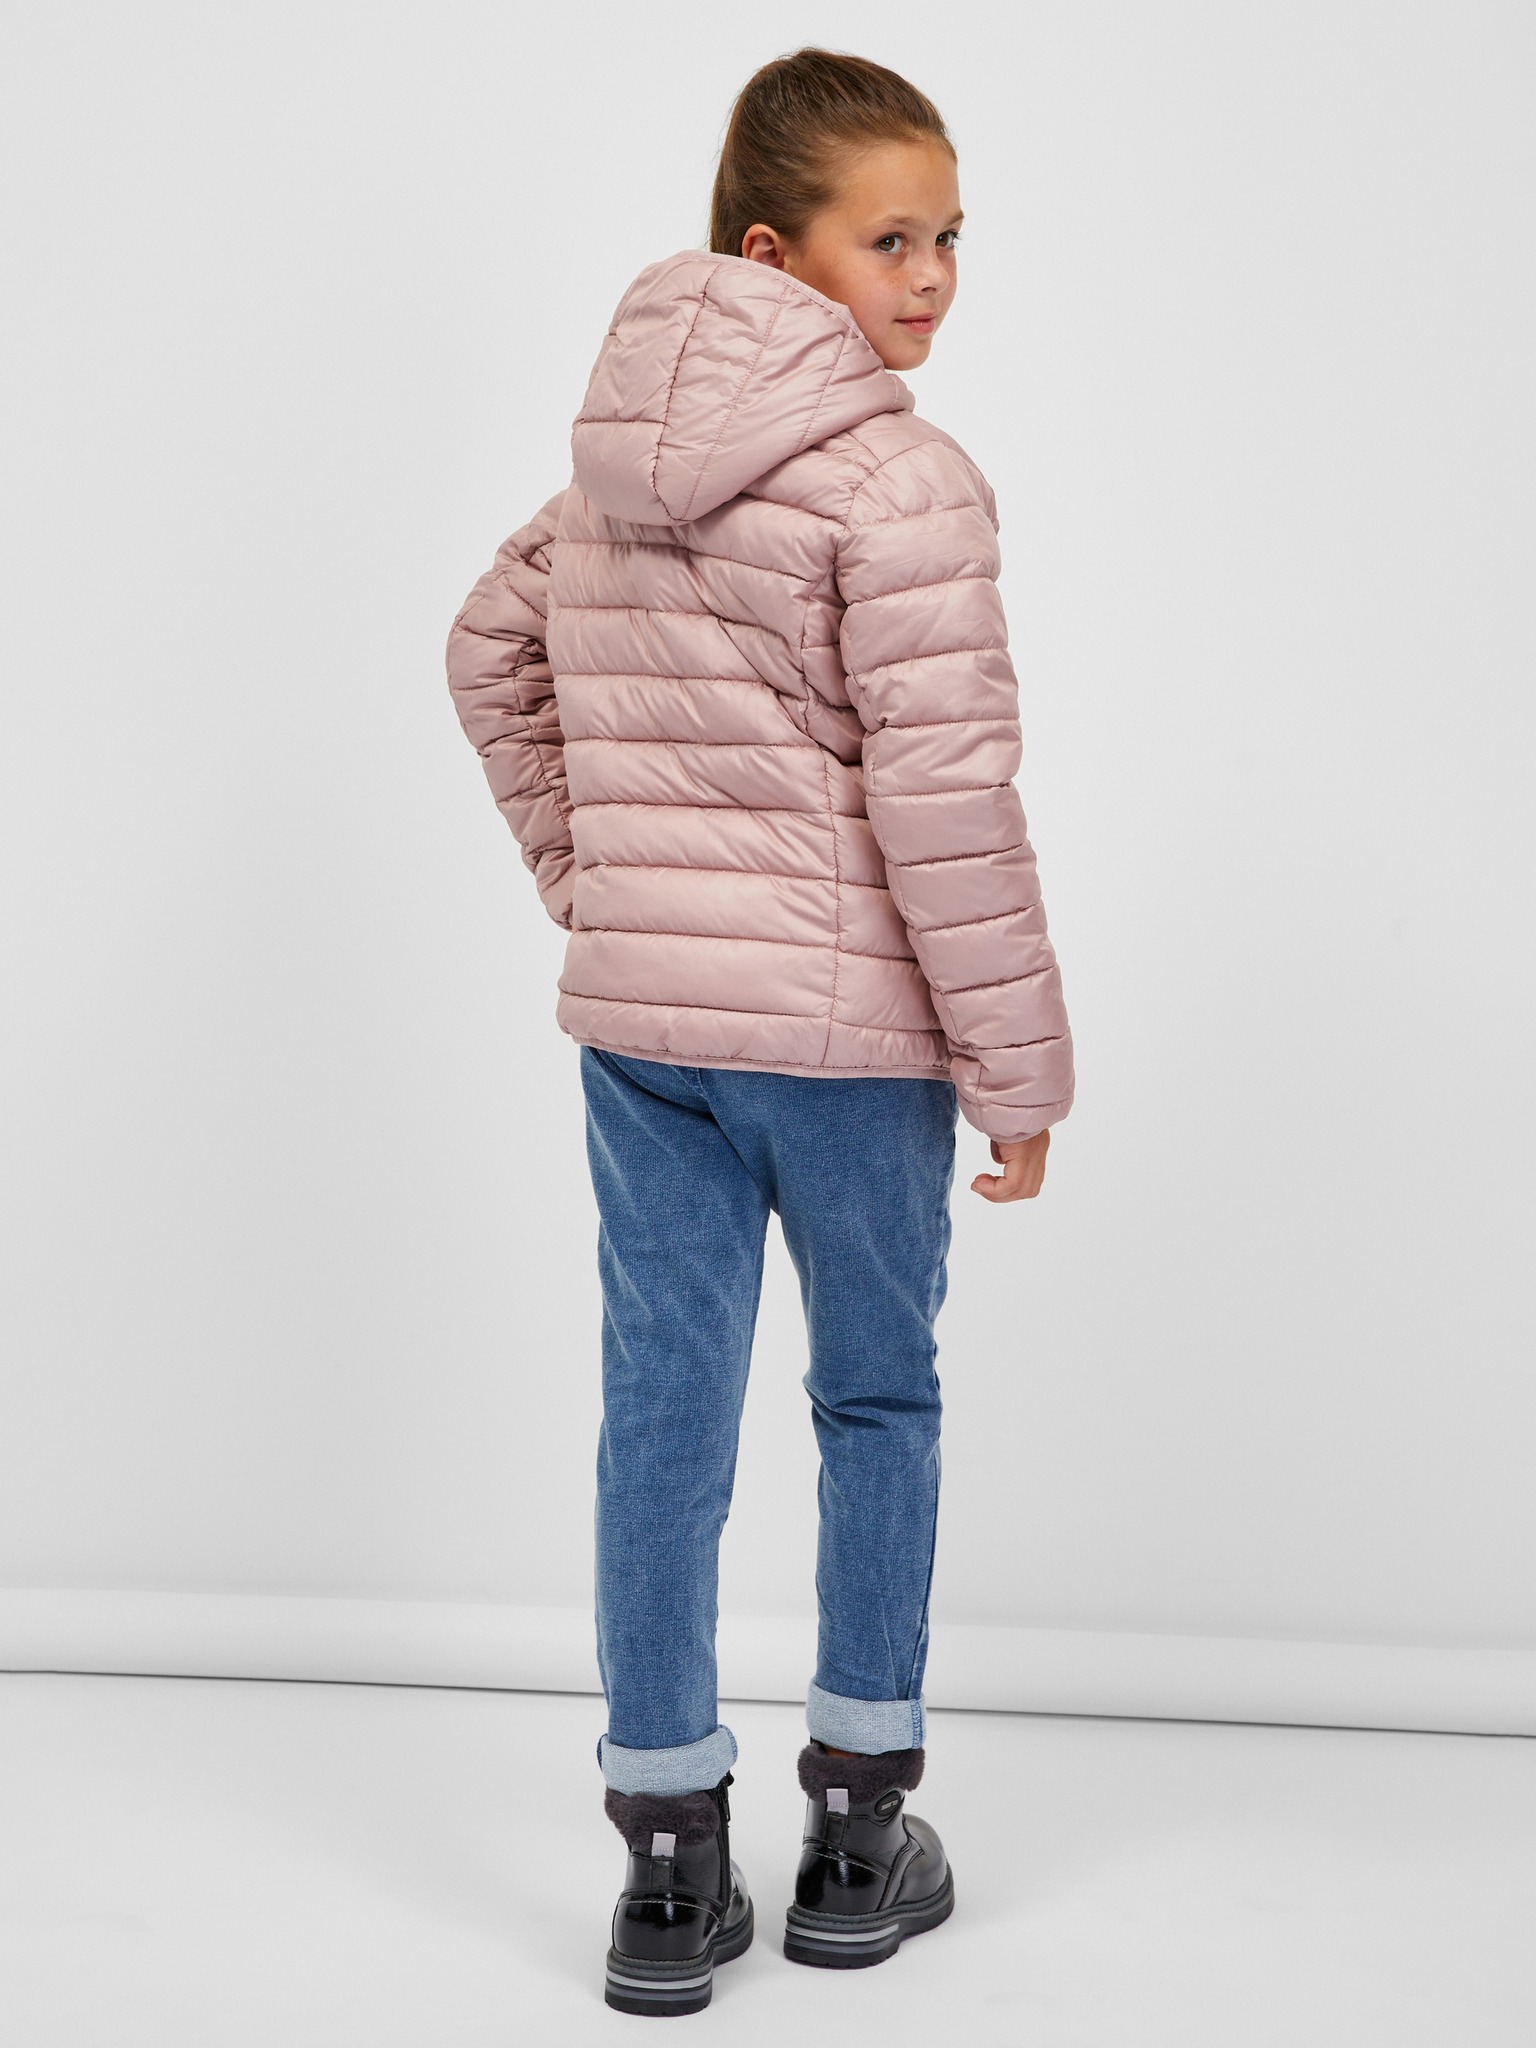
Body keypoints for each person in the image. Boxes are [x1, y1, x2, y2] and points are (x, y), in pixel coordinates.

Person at [446, 47, 1073, 2018]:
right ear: (770, 253)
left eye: (951, 235)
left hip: (650, 1036)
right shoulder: (902, 482)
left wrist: (601, 881)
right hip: (853, 1049)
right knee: (875, 1401)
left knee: (662, 1414)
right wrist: (1020, 1066)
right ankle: (861, 1833)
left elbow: (486, 651)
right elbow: (949, 803)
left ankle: (666, 1859)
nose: (933, 275)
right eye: (891, 239)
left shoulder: (605, 473)